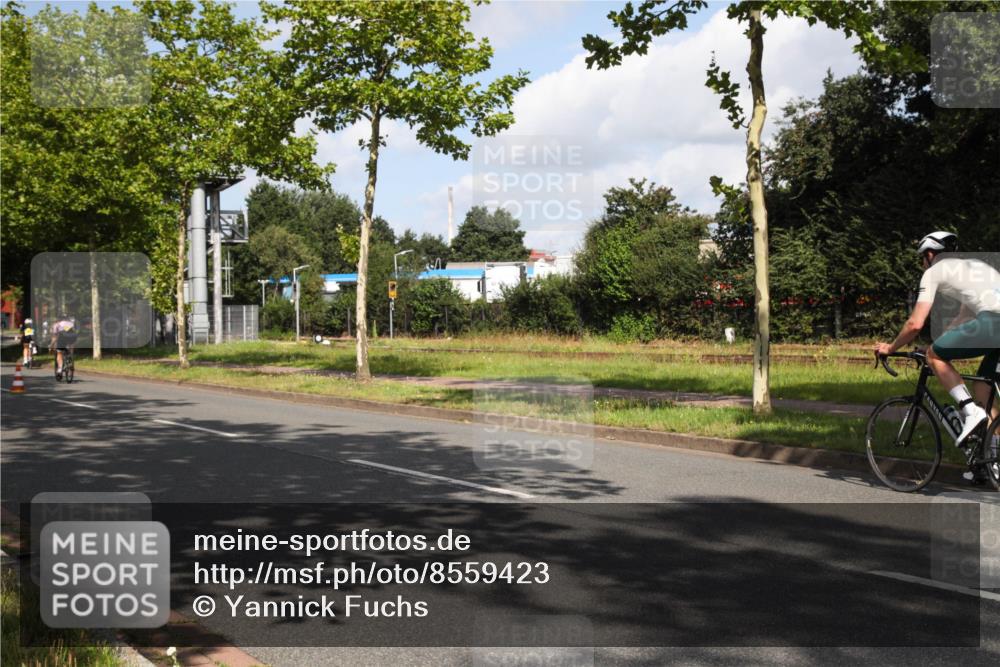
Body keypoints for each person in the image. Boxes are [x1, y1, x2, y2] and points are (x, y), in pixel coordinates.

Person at [875, 231, 1000, 452]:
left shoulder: (934, 271)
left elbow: (915, 323)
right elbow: (965, 316)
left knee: (935, 356)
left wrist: (891, 347)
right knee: (982, 387)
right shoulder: (975, 267)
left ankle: (971, 412)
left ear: (931, 254)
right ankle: (994, 454)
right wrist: (940, 343)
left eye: (922, 258)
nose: (923, 264)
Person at [50, 315, 78, 380]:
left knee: (59, 352)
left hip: (63, 337)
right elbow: (75, 332)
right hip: (73, 337)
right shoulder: (71, 323)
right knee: (70, 347)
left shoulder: (56, 324)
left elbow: (55, 337)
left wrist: (51, 345)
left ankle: (60, 369)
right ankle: (70, 357)